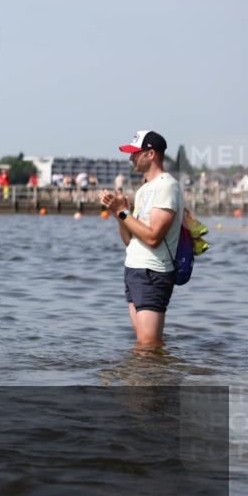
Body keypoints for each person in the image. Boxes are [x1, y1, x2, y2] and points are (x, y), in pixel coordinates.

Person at [100, 130, 183, 348]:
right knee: (144, 345)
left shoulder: (166, 186)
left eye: (135, 153)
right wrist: (119, 214)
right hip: (134, 269)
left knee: (148, 345)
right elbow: (130, 240)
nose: (130, 158)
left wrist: (123, 213)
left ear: (151, 154)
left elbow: (154, 237)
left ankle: (155, 381)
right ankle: (146, 380)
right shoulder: (144, 189)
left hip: (153, 272)